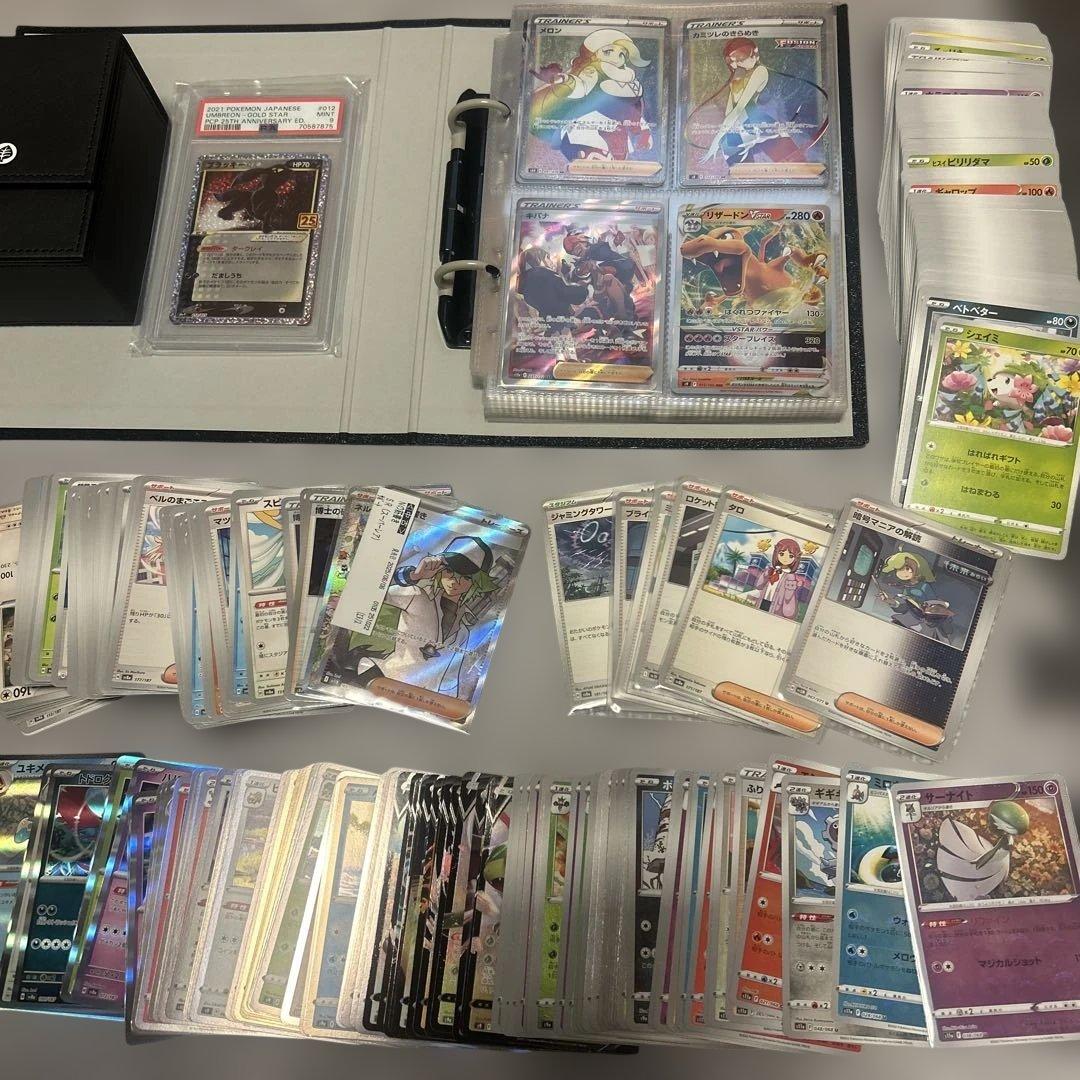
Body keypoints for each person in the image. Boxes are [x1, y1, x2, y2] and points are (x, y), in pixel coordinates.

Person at [330, 536, 501, 701]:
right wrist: (413, 576)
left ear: (477, 583)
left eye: (466, 577)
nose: (455, 581)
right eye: (449, 571)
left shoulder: (463, 632)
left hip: (413, 698)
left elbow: (446, 677)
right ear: (440, 570)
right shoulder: (417, 597)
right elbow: (368, 591)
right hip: (378, 678)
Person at [530, 28, 653, 163]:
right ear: (593, 55)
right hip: (587, 125)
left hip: (615, 130)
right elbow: (580, 86)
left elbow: (632, 113)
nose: (616, 58)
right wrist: (566, 81)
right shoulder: (593, 72)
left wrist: (644, 133)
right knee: (587, 137)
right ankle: (589, 155)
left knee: (618, 143)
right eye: (608, 52)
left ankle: (613, 159)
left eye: (621, 54)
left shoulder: (630, 84)